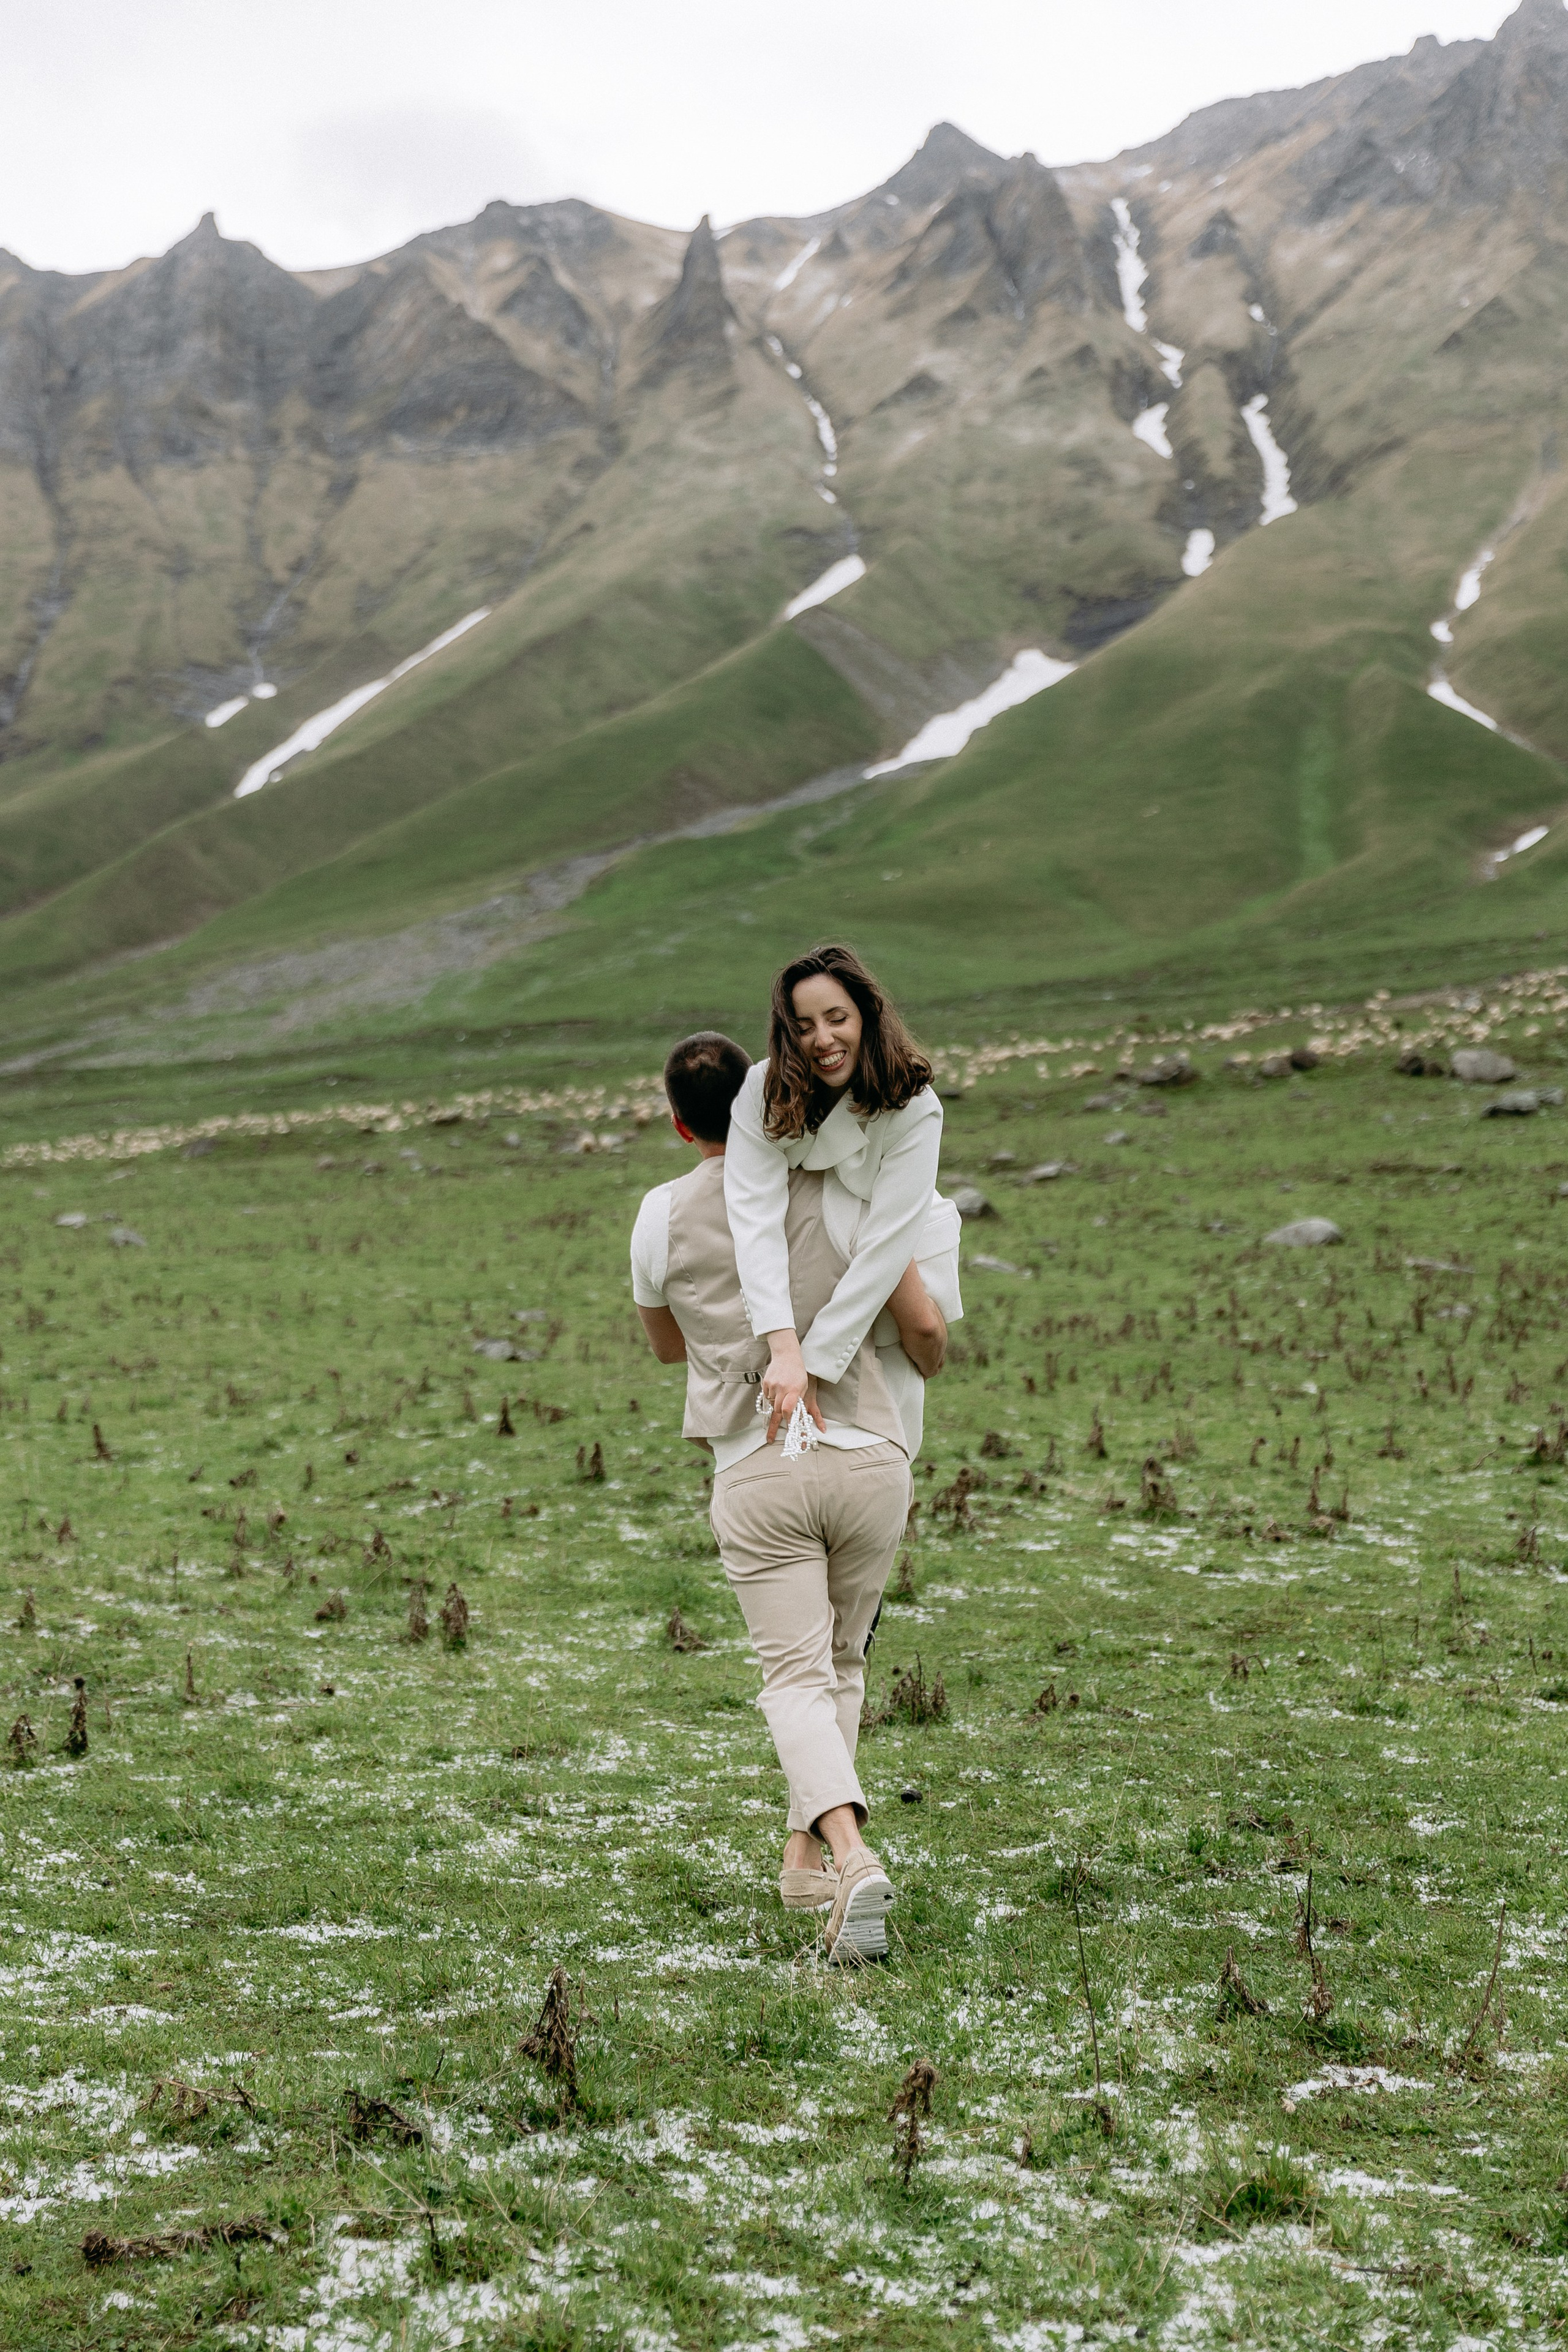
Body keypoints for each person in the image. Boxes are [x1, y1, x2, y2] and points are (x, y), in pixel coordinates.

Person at [631, 1029, 957, 1962]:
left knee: (794, 1679)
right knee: (841, 1667)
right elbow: (923, 1325)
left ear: (678, 1123)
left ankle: (851, 1858)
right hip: (867, 1457)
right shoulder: (836, 1185)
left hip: (758, 1461)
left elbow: (665, 1345)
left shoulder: (660, 1214)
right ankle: (802, 1863)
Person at [721, 944, 958, 1452]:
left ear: (866, 1017)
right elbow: (754, 1219)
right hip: (796, 1279)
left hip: (882, 1277)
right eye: (804, 1026)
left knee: (884, 1441)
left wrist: (816, 1362)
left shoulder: (914, 1103)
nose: (823, 1039)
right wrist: (785, 1348)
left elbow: (888, 1244)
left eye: (837, 1018)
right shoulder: (762, 1090)